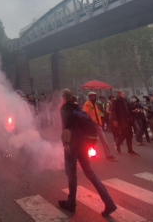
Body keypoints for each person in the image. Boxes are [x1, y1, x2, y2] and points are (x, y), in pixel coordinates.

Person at [58, 89, 117, 217]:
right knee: (90, 173)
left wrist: (67, 144)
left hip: (73, 144)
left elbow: (67, 127)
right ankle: (109, 202)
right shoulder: (78, 107)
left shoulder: (65, 109)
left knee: (71, 174)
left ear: (63, 97)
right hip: (83, 143)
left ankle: (71, 203)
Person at [83, 92, 116, 161]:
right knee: (91, 140)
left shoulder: (94, 104)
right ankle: (89, 154)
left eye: (95, 96)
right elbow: (85, 116)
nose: (94, 98)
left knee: (103, 139)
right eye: (92, 96)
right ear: (89, 97)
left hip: (97, 124)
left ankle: (108, 154)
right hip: (91, 126)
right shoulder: (87, 104)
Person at [111, 91, 139, 156]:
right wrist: (115, 120)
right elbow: (113, 111)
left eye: (124, 94)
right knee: (125, 133)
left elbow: (129, 108)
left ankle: (130, 150)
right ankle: (118, 143)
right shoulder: (115, 101)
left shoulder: (125, 101)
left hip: (128, 120)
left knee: (129, 134)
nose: (123, 95)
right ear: (118, 94)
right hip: (121, 120)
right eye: (122, 94)